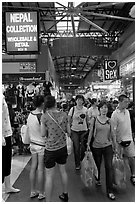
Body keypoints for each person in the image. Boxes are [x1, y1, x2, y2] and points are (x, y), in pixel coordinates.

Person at [41, 95, 69, 202]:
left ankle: (48, 201)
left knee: (49, 176)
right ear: (55, 103)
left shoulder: (44, 116)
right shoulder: (64, 114)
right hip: (62, 147)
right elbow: (69, 132)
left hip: (50, 150)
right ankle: (65, 194)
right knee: (63, 171)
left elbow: (43, 134)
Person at [87, 100, 116, 200]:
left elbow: (113, 133)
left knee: (109, 167)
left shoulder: (110, 120)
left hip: (108, 146)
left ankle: (110, 190)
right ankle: (97, 178)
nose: (104, 109)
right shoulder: (94, 120)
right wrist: (88, 143)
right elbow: (91, 132)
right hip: (96, 146)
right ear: (99, 109)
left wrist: (115, 145)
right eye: (102, 108)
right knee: (97, 164)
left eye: (106, 108)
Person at [111, 94, 135, 186]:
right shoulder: (115, 114)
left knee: (132, 157)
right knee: (119, 160)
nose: (127, 103)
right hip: (119, 141)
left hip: (129, 139)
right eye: (125, 102)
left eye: (128, 102)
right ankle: (119, 178)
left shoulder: (128, 112)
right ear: (120, 102)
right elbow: (113, 130)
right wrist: (115, 143)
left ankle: (133, 175)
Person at [27, 95, 45, 200]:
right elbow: (44, 133)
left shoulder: (30, 115)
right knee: (40, 169)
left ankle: (32, 191)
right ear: (42, 104)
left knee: (33, 168)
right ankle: (41, 192)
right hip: (41, 145)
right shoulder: (41, 116)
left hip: (32, 144)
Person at [2, 94, 20, 195]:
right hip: (3, 135)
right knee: (4, 160)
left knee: (7, 160)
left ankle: (8, 186)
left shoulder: (3, 97)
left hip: (6, 133)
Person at [68, 94, 89, 170]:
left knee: (83, 147)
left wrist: (89, 128)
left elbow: (87, 120)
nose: (79, 101)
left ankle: (82, 160)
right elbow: (69, 120)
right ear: (76, 101)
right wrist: (68, 129)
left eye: (81, 100)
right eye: (78, 100)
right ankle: (77, 164)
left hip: (84, 130)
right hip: (74, 131)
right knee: (76, 148)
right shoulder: (72, 109)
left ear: (83, 101)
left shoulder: (86, 109)